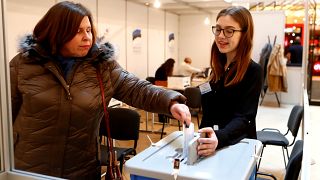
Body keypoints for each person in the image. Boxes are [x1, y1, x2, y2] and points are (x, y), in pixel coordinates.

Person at [9, 1, 191, 179]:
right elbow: (5, 116)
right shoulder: (22, 65)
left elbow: (137, 89)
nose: (87, 37)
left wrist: (171, 101)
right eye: (78, 31)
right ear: (57, 31)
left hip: (82, 170)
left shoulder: (101, 66)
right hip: (28, 169)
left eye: (88, 30)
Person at [197, 6, 262, 158]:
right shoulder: (218, 66)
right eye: (218, 29)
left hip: (237, 144)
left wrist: (219, 138)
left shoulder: (253, 70)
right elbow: (209, 109)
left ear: (244, 34)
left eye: (229, 30)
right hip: (211, 143)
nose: (221, 36)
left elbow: (245, 117)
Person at [154, 58, 176, 123]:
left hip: (161, 88)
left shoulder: (162, 68)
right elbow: (163, 81)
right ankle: (166, 116)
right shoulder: (162, 70)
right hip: (161, 88)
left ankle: (166, 116)